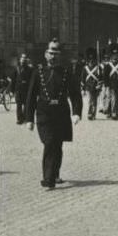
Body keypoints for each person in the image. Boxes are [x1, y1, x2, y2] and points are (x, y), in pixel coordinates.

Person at [25, 39, 82, 189]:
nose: (53, 56)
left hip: (61, 113)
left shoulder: (66, 73)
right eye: (50, 53)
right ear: (45, 54)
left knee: (57, 145)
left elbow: (75, 94)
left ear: (60, 55)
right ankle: (48, 179)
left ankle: (54, 174)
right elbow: (31, 96)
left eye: (56, 53)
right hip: (44, 113)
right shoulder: (38, 72)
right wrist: (29, 119)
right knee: (49, 143)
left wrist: (77, 112)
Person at [10, 52, 33, 125]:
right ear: (20, 59)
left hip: (26, 90)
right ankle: (19, 119)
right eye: (22, 58)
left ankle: (25, 118)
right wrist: (12, 90)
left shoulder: (30, 69)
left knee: (26, 105)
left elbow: (32, 81)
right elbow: (13, 80)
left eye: (25, 58)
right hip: (18, 90)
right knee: (19, 105)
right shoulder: (16, 69)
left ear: (27, 60)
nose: (23, 59)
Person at [81, 47, 103, 121]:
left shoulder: (98, 68)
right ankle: (90, 113)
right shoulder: (85, 68)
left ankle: (94, 113)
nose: (91, 61)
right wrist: (83, 88)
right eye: (90, 60)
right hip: (88, 87)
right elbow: (83, 78)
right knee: (90, 100)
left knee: (95, 101)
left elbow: (100, 78)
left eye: (92, 60)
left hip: (95, 87)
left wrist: (99, 85)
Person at [102, 42, 118, 119]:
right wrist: (106, 85)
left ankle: (112, 112)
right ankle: (113, 113)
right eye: (114, 55)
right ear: (111, 56)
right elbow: (105, 76)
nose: (115, 56)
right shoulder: (107, 65)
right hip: (111, 84)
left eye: (116, 55)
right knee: (113, 98)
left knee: (116, 99)